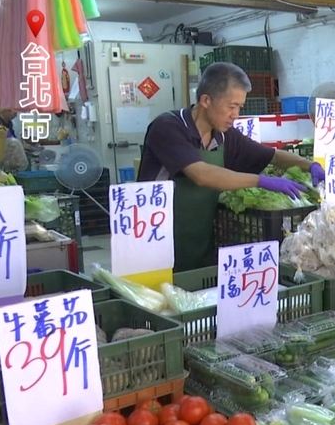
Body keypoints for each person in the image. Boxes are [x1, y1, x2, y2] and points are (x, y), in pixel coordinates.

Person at [138, 62, 325, 273]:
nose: (236, 114)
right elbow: (201, 174)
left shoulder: (224, 135)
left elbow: (271, 155)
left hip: (199, 245)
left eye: (240, 107)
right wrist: (261, 180)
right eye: (231, 106)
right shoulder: (168, 127)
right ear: (206, 100)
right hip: (156, 244)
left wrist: (311, 165)